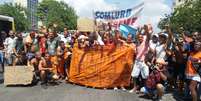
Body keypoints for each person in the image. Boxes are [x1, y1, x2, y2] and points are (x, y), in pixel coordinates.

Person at [129, 25, 151, 93]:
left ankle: (146, 88)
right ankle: (135, 87)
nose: (140, 38)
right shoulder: (137, 43)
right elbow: (136, 36)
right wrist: (139, 30)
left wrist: (146, 29)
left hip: (144, 62)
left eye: (142, 37)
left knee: (146, 76)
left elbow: (148, 36)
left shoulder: (146, 42)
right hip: (137, 61)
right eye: (139, 37)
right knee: (134, 75)